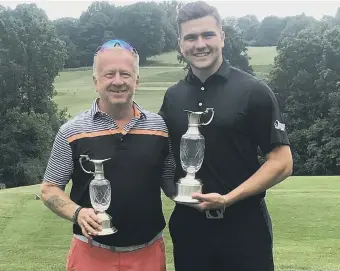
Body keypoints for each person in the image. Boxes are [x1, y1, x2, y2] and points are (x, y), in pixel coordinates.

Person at [159, 2, 293, 271]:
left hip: (244, 228)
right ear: (180, 44)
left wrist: (228, 198)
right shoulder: (172, 97)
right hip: (189, 229)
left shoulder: (253, 91)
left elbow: (282, 162)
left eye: (207, 35)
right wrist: (173, 192)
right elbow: (162, 157)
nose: (200, 44)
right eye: (191, 37)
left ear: (222, 36)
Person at [41, 39, 175, 271]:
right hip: (90, 254)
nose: (117, 81)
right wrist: (77, 213)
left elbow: (169, 180)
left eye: (125, 74)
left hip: (148, 254)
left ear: (137, 80)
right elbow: (49, 188)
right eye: (109, 74)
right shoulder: (71, 131)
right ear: (96, 81)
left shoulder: (160, 127)